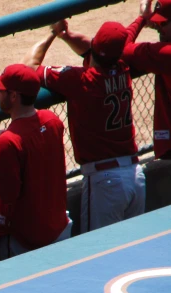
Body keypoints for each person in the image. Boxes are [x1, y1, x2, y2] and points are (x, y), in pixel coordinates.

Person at [25, 21, 146, 233]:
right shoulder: (124, 66)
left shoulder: (81, 80)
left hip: (105, 182)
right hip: (136, 175)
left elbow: (28, 69)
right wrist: (67, 35)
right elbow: (107, 45)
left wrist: (53, 34)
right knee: (133, 251)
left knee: (99, 252)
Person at [0, 64, 72, 259]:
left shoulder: (10, 142)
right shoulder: (52, 121)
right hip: (58, 228)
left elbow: (8, 194)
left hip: (26, 241)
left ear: (14, 96)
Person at [123, 0, 171, 159]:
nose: (158, 28)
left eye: (162, 23)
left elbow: (120, 48)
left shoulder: (164, 54)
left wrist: (142, 18)